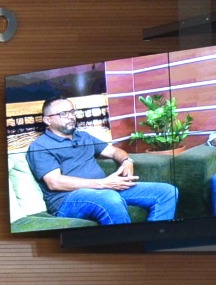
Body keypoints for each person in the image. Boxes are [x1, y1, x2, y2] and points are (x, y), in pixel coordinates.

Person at [26, 96, 177, 226]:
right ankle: (129, 252)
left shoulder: (83, 137)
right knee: (110, 198)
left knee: (167, 192)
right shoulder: (40, 146)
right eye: (63, 113)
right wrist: (103, 183)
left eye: (72, 112)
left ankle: (152, 243)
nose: (71, 117)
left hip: (103, 189)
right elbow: (55, 182)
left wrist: (127, 161)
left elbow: (114, 151)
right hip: (68, 199)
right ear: (47, 120)